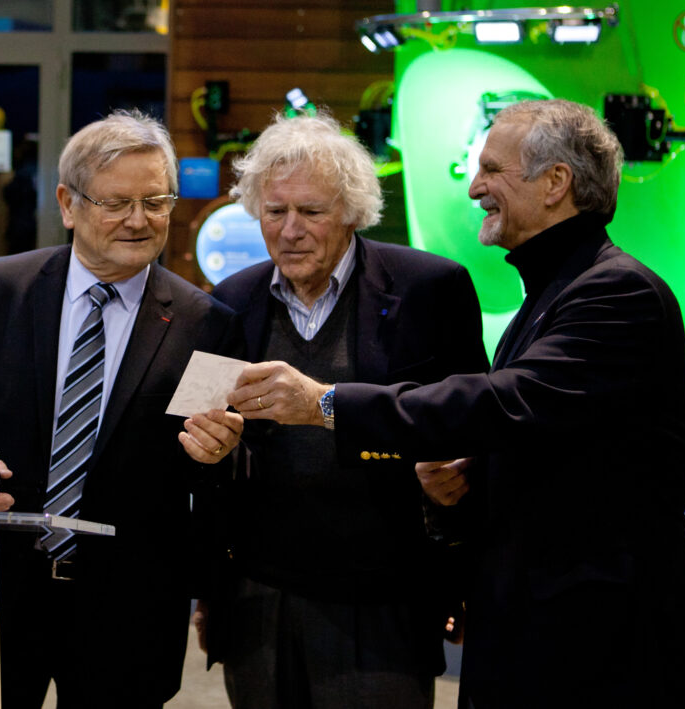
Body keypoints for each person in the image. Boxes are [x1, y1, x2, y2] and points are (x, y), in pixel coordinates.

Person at [228, 99, 685, 708]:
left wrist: (326, 403)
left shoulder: (616, 292)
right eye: (275, 211)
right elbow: (532, 436)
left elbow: (504, 403)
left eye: (491, 170)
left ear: (555, 183)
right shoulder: (557, 289)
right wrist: (457, 484)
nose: (474, 187)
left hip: (595, 637)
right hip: (537, 622)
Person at [0, 109, 245, 709]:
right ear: (68, 204)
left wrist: (219, 453)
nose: (139, 221)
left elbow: (207, 467)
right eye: (116, 203)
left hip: (129, 614)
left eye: (156, 201)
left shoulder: (206, 324)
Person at [200, 111, 490, 708]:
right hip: (261, 596)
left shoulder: (429, 289)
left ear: (353, 211)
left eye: (312, 211)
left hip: (383, 599)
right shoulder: (231, 301)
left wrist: (462, 564)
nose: (290, 231)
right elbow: (198, 436)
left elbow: (475, 430)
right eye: (275, 212)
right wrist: (210, 588)